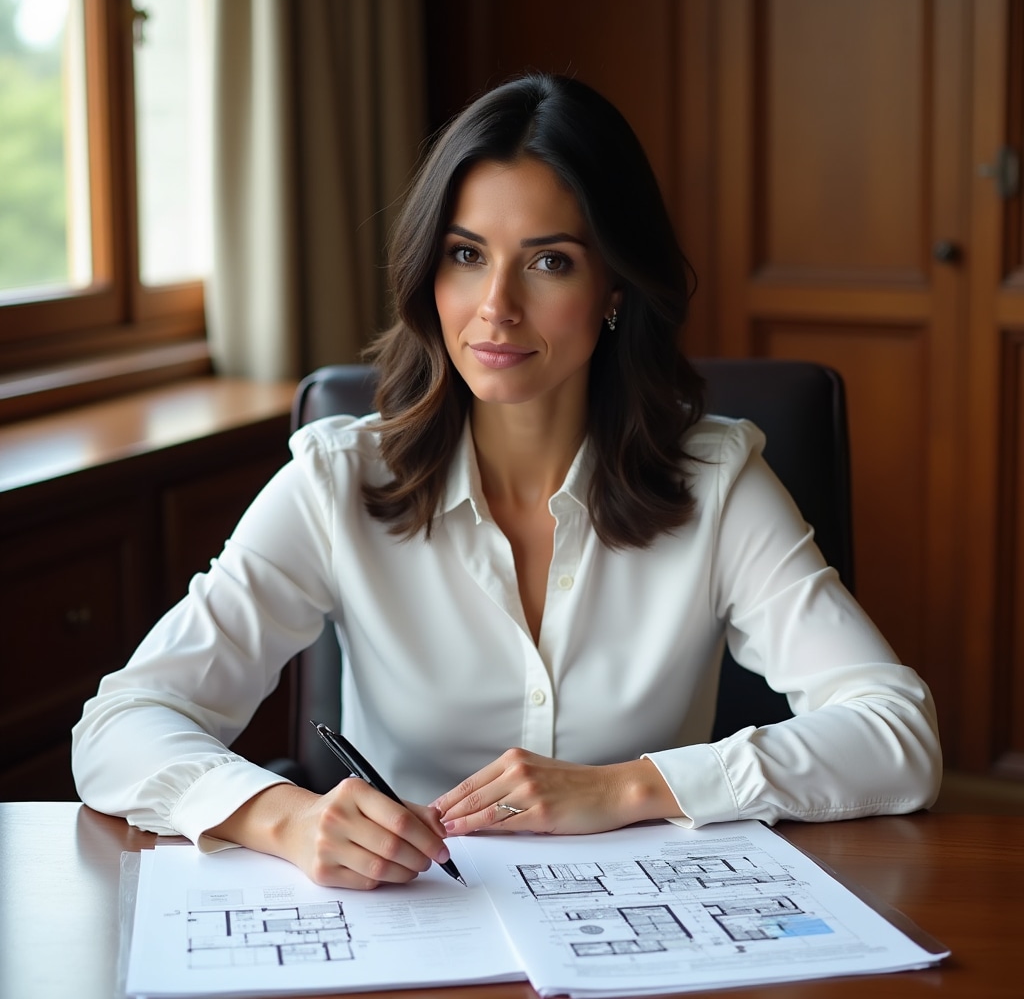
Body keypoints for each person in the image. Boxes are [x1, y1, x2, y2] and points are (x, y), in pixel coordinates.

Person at [72, 72, 941, 890]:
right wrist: (285, 819)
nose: (497, 307)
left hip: (642, 930)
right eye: (466, 254)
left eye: (550, 260)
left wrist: (631, 788)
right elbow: (117, 729)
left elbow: (897, 733)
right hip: (409, 929)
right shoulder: (337, 483)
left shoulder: (713, 483)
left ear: (614, 287)